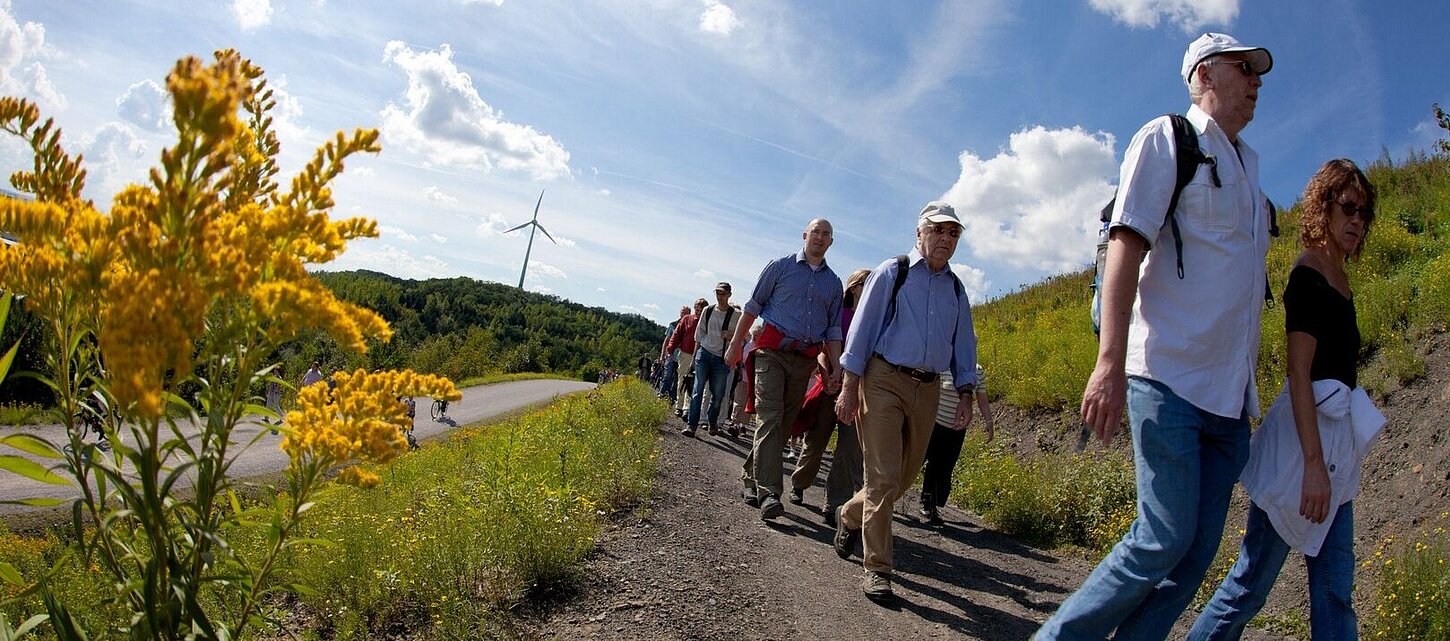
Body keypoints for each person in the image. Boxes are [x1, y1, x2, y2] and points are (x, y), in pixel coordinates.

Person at [1036, 32, 1276, 640]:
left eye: (1258, 72)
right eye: (1242, 68)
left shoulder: (1250, 167)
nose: (1255, 80)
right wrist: (1108, 362)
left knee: (1192, 558)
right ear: (1202, 75)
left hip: (1228, 401)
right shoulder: (1168, 139)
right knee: (1162, 536)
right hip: (1167, 376)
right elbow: (1126, 246)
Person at [1187, 160, 1382, 641]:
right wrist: (1313, 466)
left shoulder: (1341, 277)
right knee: (1250, 585)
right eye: (1349, 208)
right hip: (1302, 454)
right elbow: (1299, 373)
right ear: (1323, 206)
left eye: (1366, 213)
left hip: (1336, 455)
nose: (1357, 220)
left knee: (1335, 591)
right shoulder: (1309, 274)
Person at [832, 201, 978, 601]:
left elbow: (965, 346)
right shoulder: (891, 273)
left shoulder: (956, 288)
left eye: (953, 233)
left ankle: (848, 514)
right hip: (882, 380)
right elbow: (860, 333)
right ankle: (878, 568)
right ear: (919, 233)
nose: (946, 239)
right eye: (938, 230)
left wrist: (966, 393)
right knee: (881, 477)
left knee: (903, 477)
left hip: (929, 388)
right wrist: (849, 386)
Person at [726, 219, 844, 521]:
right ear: (805, 235)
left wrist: (837, 368)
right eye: (815, 232)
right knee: (770, 416)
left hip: (804, 360)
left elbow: (832, 330)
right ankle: (770, 494)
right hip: (771, 353)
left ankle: (750, 476)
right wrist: (736, 343)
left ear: (831, 242)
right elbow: (753, 306)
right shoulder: (779, 266)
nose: (820, 237)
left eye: (826, 234)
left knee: (785, 423)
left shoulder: (834, 284)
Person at [788, 267, 870, 525]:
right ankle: (799, 483)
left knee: (849, 449)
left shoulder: (874, 320)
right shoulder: (839, 315)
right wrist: (828, 374)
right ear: (855, 286)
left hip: (857, 391)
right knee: (817, 439)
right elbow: (824, 349)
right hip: (830, 386)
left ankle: (834, 504)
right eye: (867, 283)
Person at [918, 364, 993, 526]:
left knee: (944, 468)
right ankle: (892, 496)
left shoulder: (977, 371)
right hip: (934, 425)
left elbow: (982, 400)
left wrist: (989, 422)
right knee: (919, 462)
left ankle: (930, 504)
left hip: (957, 430)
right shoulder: (943, 367)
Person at [685, 282, 741, 437]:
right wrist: (697, 354)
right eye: (717, 293)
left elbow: (744, 337)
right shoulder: (707, 310)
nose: (720, 296)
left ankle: (712, 420)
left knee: (718, 395)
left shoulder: (736, 315)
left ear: (729, 295)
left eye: (723, 293)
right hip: (704, 354)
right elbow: (699, 333)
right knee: (698, 390)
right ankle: (692, 425)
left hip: (722, 359)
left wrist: (732, 336)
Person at [664, 299, 707, 418]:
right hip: (686, 353)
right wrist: (670, 348)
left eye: (701, 310)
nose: (698, 312)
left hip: (701, 355)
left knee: (694, 382)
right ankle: (679, 405)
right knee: (682, 379)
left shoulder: (707, 322)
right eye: (697, 309)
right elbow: (676, 334)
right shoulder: (687, 319)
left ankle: (687, 408)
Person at [658, 306, 688, 400]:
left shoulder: (689, 326)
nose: (684, 314)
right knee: (667, 375)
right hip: (670, 354)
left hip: (682, 356)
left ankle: (673, 397)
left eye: (686, 313)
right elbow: (666, 340)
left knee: (677, 378)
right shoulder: (673, 325)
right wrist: (662, 354)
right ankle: (662, 393)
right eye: (682, 312)